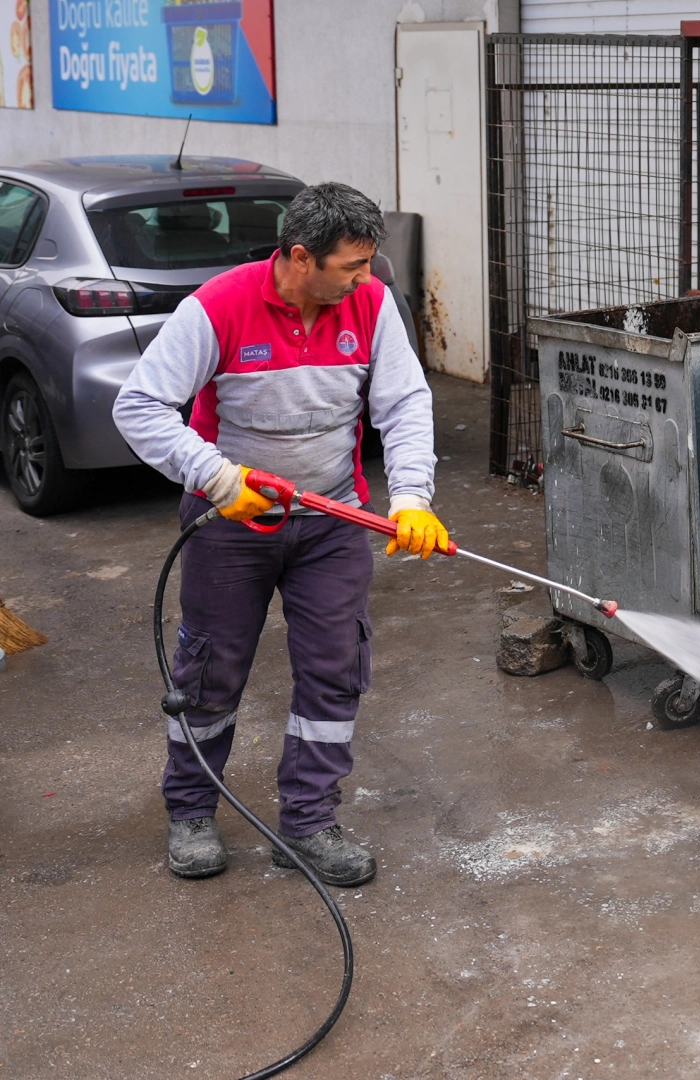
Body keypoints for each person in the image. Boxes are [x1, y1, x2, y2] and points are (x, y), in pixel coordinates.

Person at [113, 183, 449, 887]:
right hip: (230, 526)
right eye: (351, 265)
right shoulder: (219, 307)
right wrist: (217, 477)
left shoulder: (371, 304)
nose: (365, 278)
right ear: (300, 257)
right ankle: (191, 812)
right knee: (211, 671)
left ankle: (307, 823)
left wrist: (413, 498)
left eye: (368, 263)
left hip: (332, 522)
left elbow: (405, 404)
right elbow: (139, 405)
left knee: (334, 671)